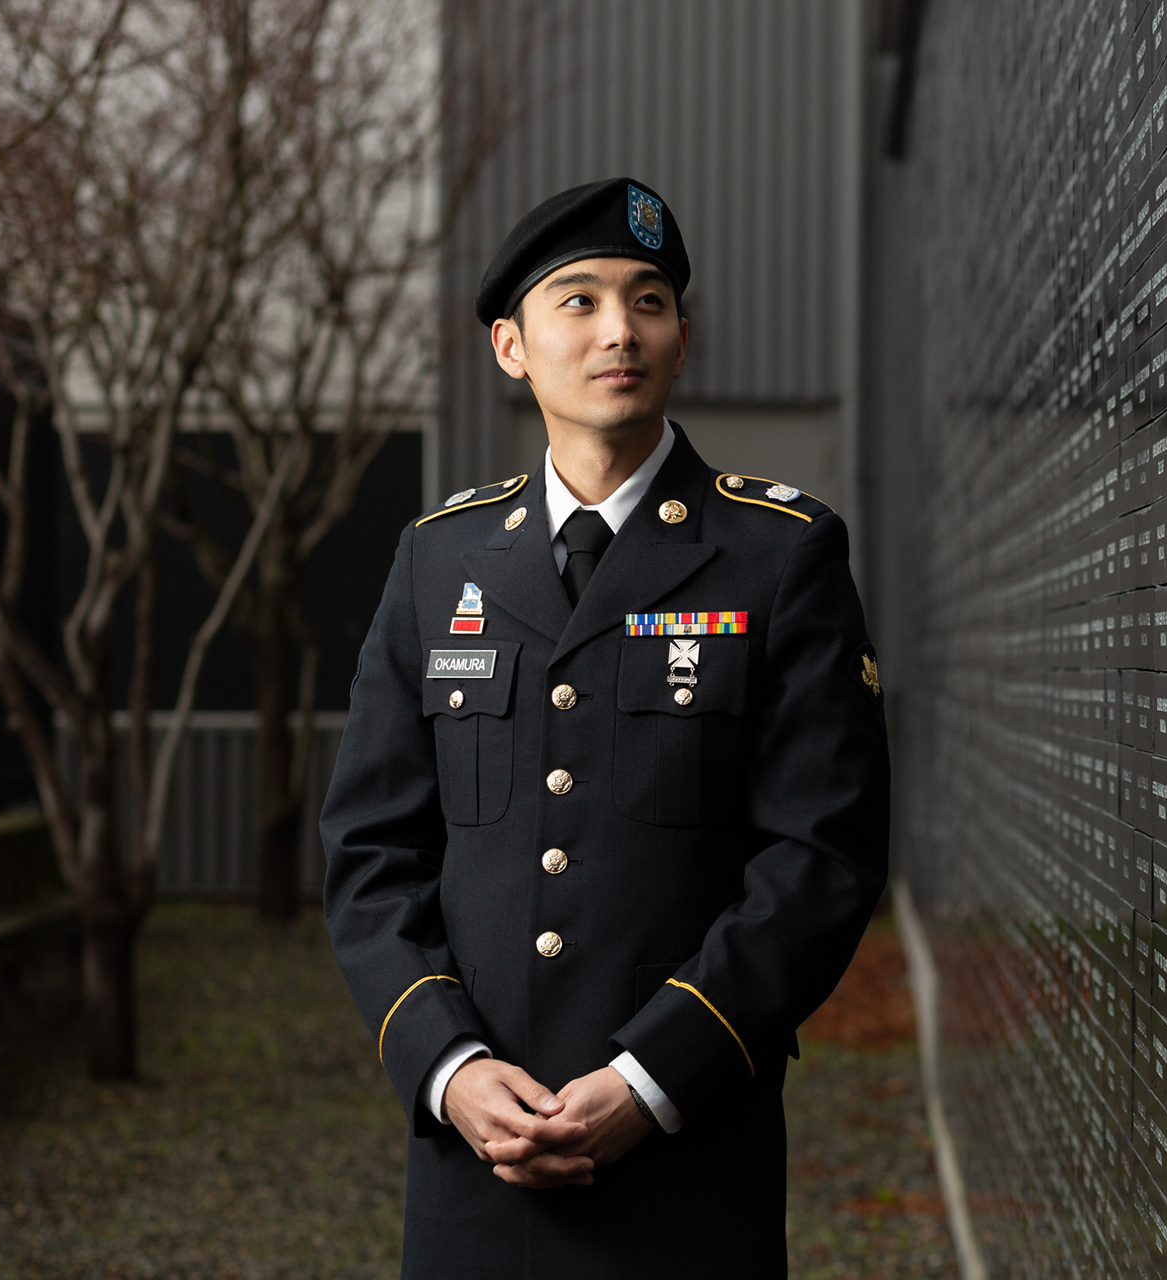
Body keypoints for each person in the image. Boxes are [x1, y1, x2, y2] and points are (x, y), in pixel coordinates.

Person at [320, 176, 890, 1278]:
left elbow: (822, 857)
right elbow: (370, 851)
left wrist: (653, 1077)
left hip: (685, 1167)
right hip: (472, 1168)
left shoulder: (781, 555)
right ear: (510, 347)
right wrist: (447, 1067)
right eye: (577, 300)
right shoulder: (440, 558)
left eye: (650, 300)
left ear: (683, 340)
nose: (619, 329)